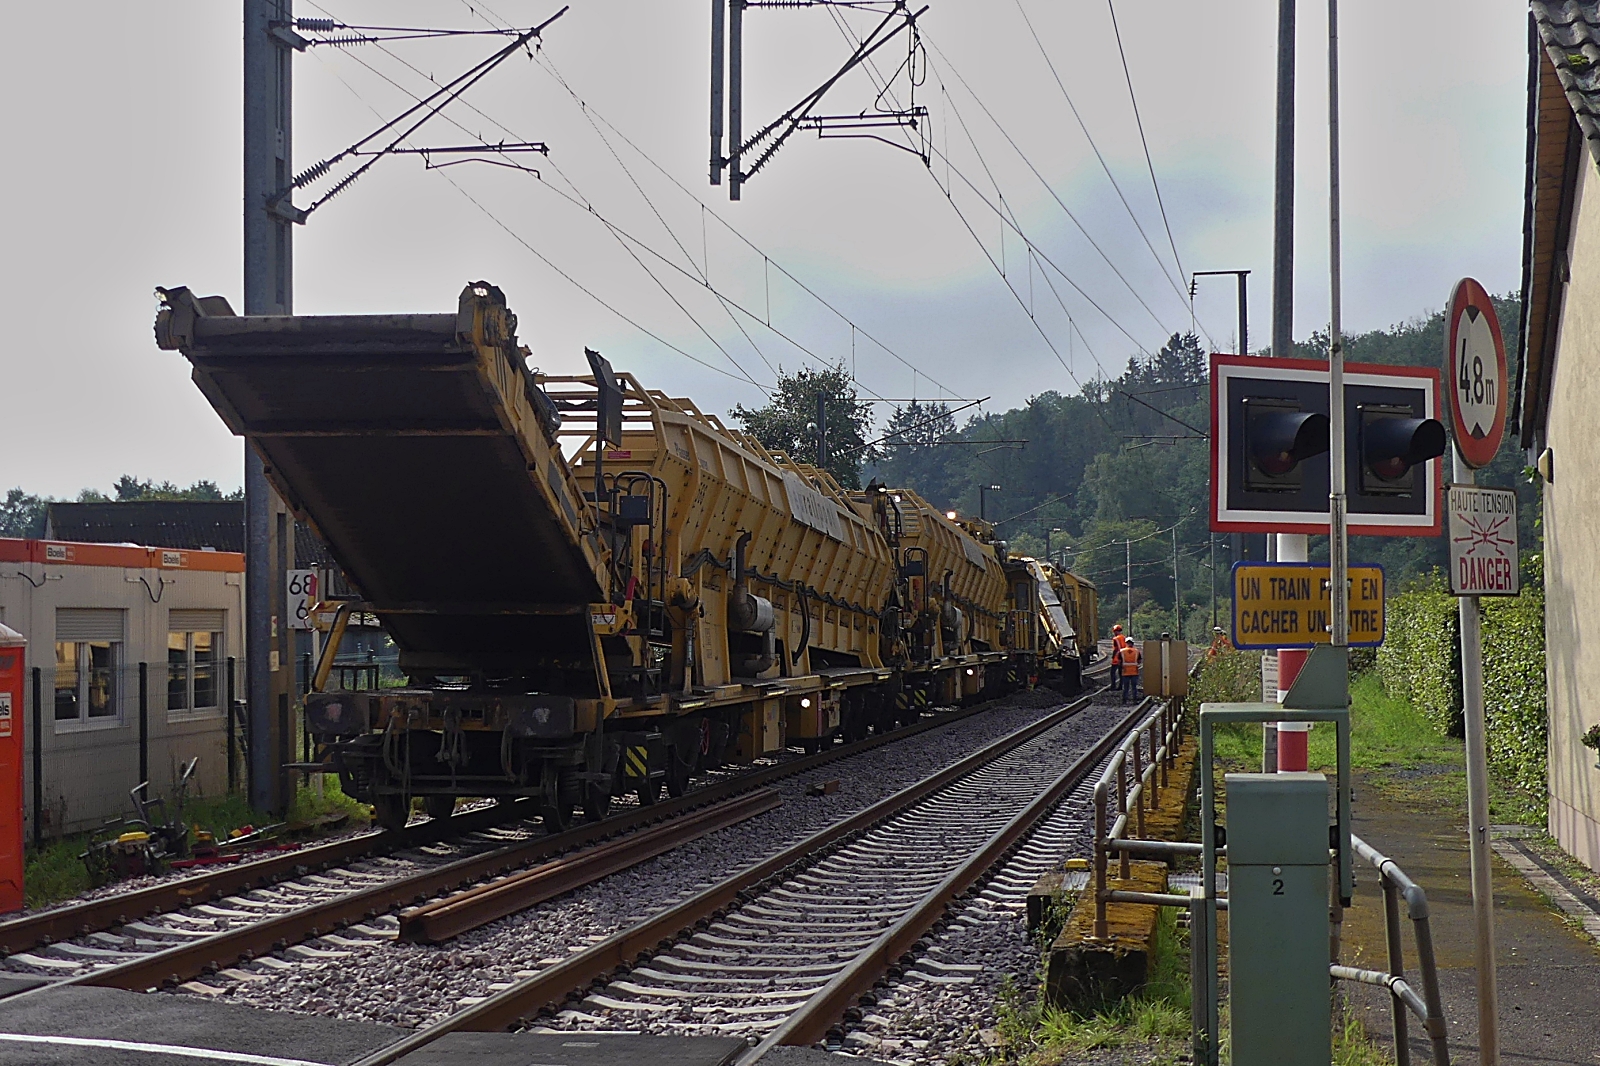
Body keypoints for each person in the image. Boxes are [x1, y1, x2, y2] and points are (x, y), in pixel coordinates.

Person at [1115, 639, 1141, 703]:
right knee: (1134, 687)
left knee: (1125, 687)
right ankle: (1134, 700)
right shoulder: (1137, 651)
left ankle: (1124, 700)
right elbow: (1139, 661)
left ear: (1126, 643)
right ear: (1133, 643)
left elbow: (1119, 662)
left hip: (1125, 672)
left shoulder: (1121, 651)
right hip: (1134, 672)